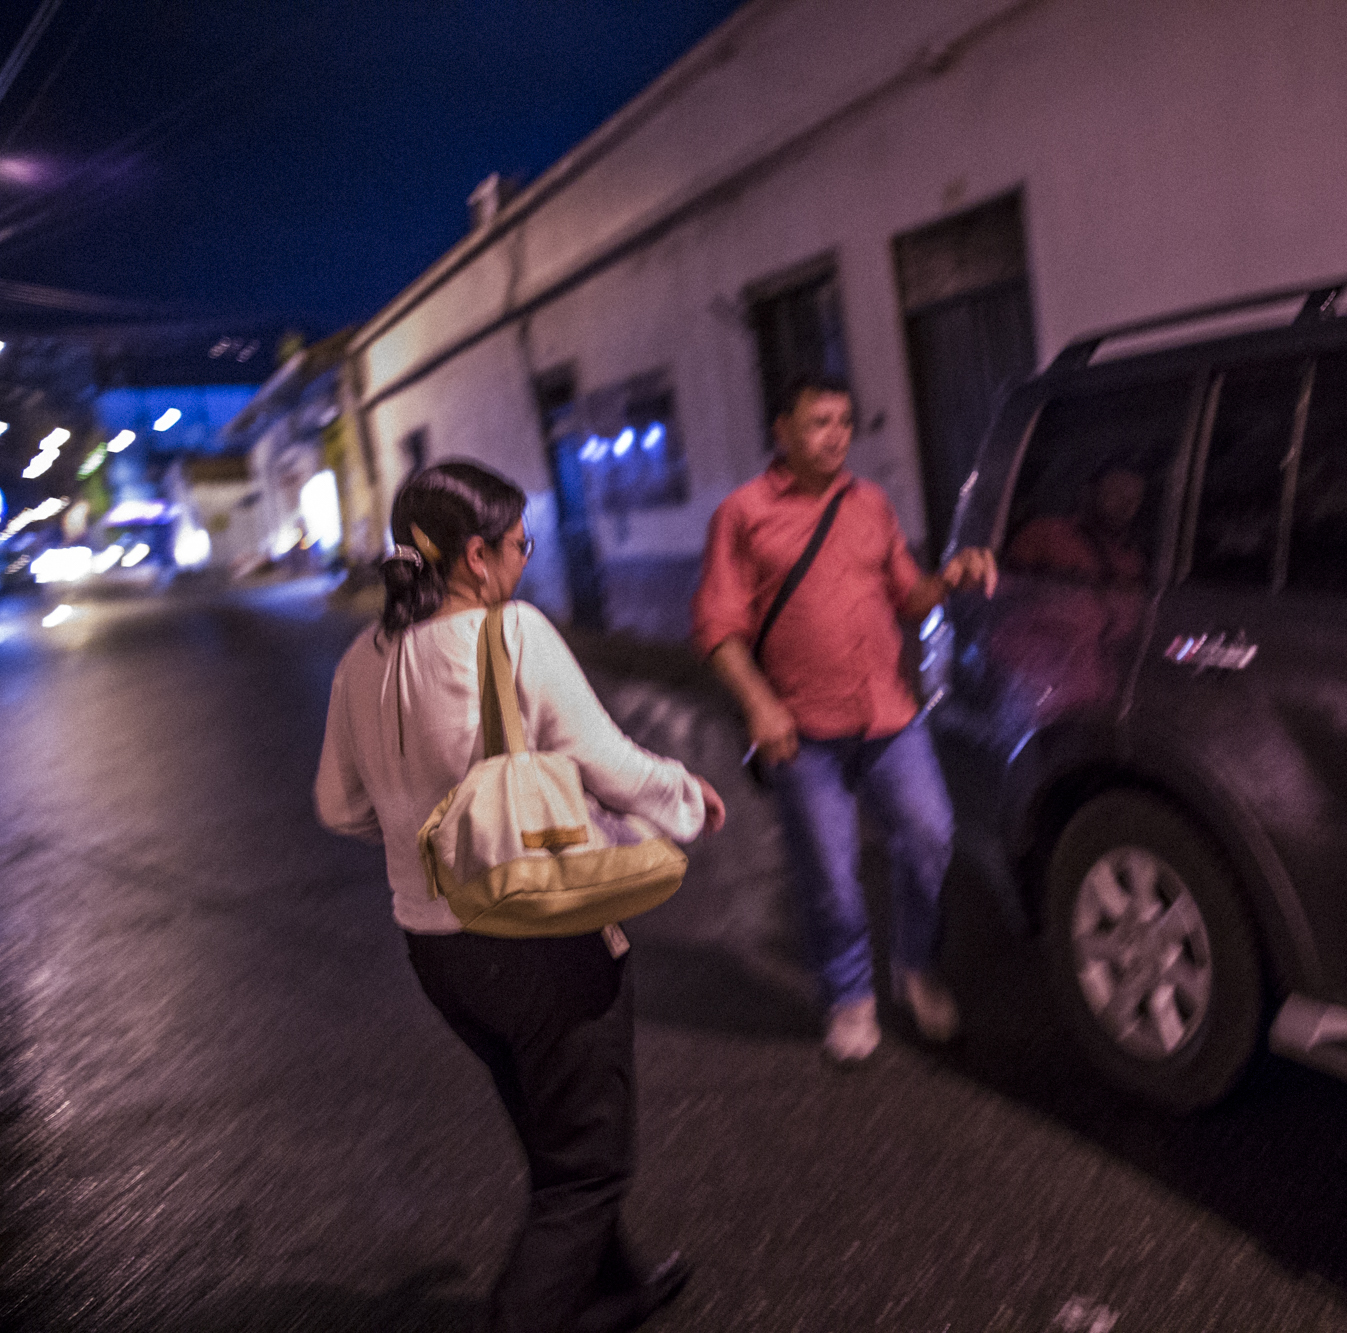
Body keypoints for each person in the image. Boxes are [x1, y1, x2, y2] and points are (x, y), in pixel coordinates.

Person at [315, 460, 725, 1333]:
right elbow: (605, 759)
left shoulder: (364, 658)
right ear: (475, 555)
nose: (525, 559)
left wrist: (418, 825)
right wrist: (686, 797)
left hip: (436, 950)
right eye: (518, 544)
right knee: (589, 1167)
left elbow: (338, 806)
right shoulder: (511, 634)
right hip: (538, 939)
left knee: (555, 1133)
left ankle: (615, 1287)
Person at [692, 373, 997, 1064]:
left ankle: (915, 965)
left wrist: (951, 574)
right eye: (818, 422)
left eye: (844, 422)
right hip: (801, 731)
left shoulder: (871, 504)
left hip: (890, 715)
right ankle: (850, 994)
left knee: (931, 837)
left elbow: (910, 597)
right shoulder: (742, 514)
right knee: (830, 877)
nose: (834, 436)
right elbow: (717, 626)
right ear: (782, 430)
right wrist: (759, 703)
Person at [1004, 462, 1148, 585]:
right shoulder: (1044, 534)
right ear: (1090, 492)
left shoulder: (1131, 561)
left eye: (1134, 499)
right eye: (1117, 493)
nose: (1125, 505)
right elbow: (1008, 596)